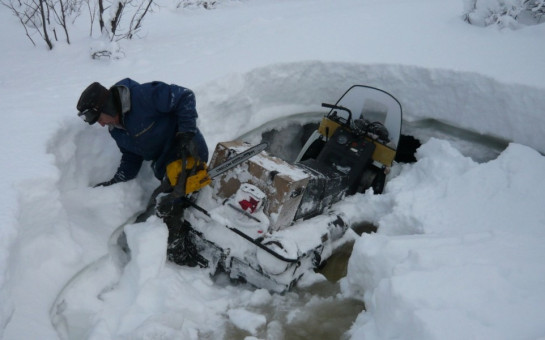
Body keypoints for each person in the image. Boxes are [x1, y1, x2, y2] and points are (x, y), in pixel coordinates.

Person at [76, 79, 209, 189]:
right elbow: (131, 156)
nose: (102, 124)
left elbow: (184, 96)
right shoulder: (116, 130)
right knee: (168, 204)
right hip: (167, 168)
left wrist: (186, 132)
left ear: (108, 107)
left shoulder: (143, 96)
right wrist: (117, 181)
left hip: (189, 150)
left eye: (100, 119)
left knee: (190, 189)